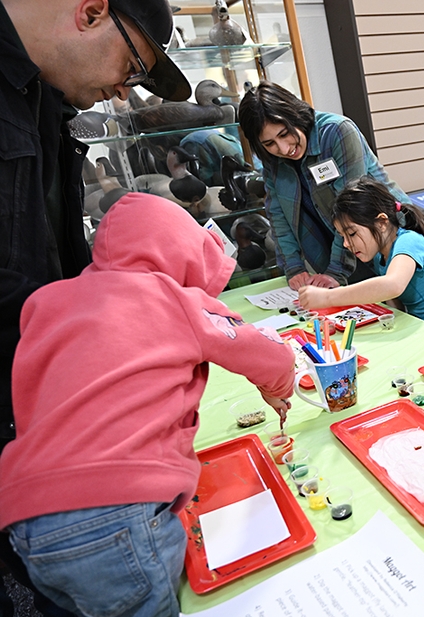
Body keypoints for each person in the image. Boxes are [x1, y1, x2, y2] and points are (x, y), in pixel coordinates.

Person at [0, 193, 295, 616]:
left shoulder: (46, 302)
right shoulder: (172, 297)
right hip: (117, 512)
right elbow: (270, 354)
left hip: (26, 516)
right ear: (183, 253)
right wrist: (276, 387)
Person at [0, 0, 192, 613]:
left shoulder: (42, 99)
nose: (122, 92)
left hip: (43, 423)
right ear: (90, 11)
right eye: (132, 66)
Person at [238, 81, 412, 291]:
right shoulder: (271, 158)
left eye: (285, 134)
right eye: (269, 143)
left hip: (385, 238)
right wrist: (293, 267)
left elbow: (351, 209)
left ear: (295, 116)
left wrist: (336, 272)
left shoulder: (337, 132)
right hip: (340, 247)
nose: (283, 148)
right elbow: (278, 214)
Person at [298, 177, 424, 328]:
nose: (346, 244)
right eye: (342, 236)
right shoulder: (381, 255)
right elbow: (394, 303)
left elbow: (392, 285)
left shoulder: (408, 242)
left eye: (352, 233)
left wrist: (328, 298)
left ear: (382, 222)